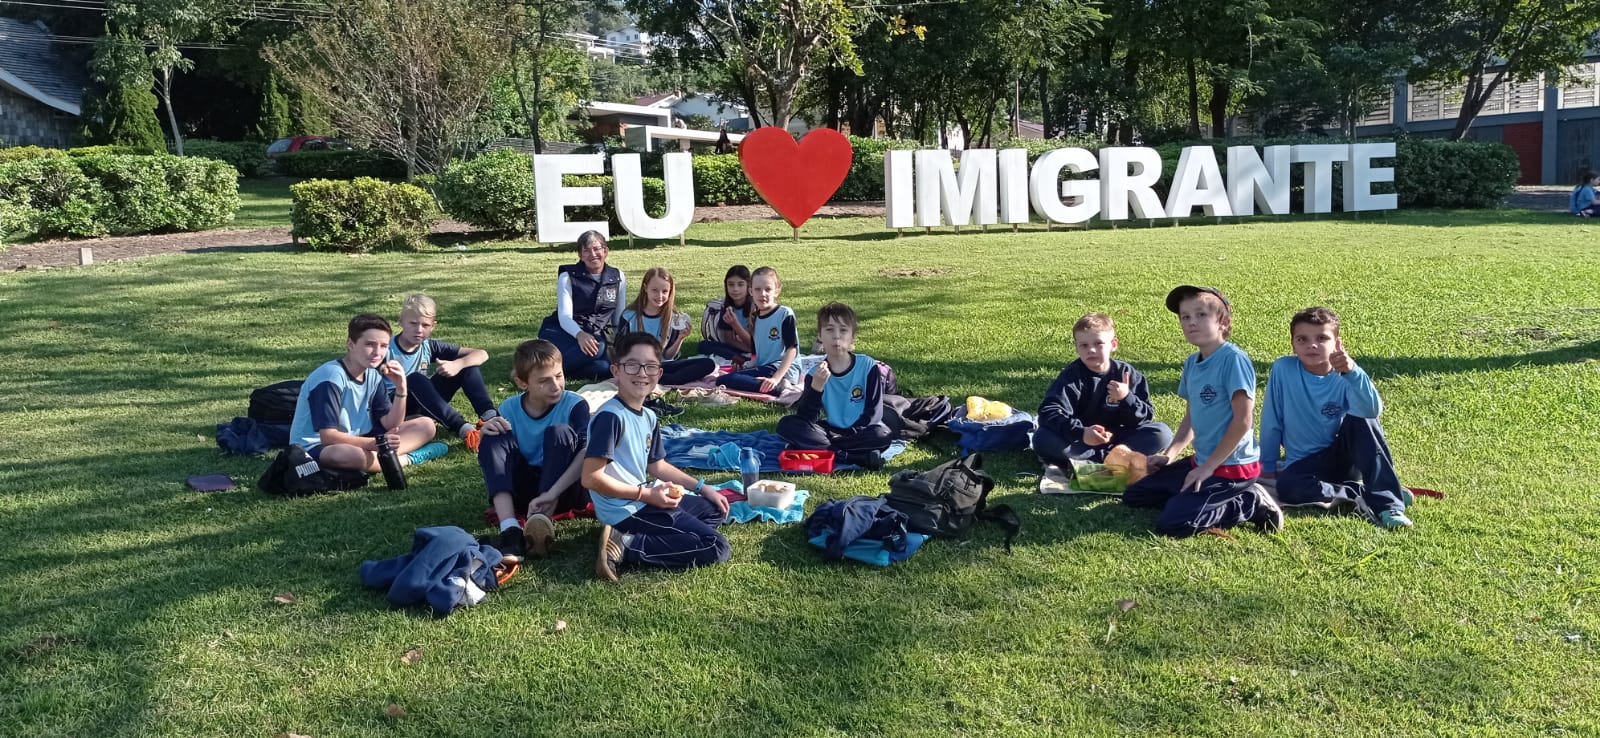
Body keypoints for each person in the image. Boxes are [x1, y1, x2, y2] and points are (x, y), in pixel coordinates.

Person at [1122, 286, 1282, 537]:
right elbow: (1191, 418)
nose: (1191, 322)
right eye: (1185, 317)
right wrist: (1169, 455)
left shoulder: (1233, 360)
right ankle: (1192, 496)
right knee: (1135, 495)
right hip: (1202, 461)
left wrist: (1207, 468)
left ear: (1223, 322)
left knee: (1172, 524)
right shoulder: (1191, 363)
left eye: (1201, 315)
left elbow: (1243, 421)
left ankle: (1250, 502)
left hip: (1232, 468)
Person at [585, 332, 733, 582]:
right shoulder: (610, 417)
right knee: (716, 546)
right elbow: (590, 478)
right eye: (632, 365)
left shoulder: (649, 416)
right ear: (616, 371)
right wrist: (646, 495)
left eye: (650, 366)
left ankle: (642, 534)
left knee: (713, 510)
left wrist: (703, 487)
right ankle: (627, 544)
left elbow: (657, 466)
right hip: (626, 508)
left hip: (645, 497)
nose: (642, 373)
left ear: (659, 373)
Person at [1259, 307, 1416, 529]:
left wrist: (1353, 372)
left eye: (1322, 338)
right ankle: (1364, 491)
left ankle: (1388, 505)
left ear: (1337, 343)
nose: (1312, 345)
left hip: (1345, 458)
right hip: (1304, 464)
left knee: (1362, 417)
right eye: (1302, 339)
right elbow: (1271, 419)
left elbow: (1372, 411)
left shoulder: (1347, 373)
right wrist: (1267, 464)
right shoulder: (1283, 369)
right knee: (1288, 487)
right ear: (1293, 344)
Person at [288, 313, 447, 473]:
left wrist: (401, 388)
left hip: (362, 438)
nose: (377, 352)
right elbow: (328, 437)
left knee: (426, 425)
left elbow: (391, 425)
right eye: (370, 344)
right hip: (319, 447)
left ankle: (380, 458)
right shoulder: (331, 377)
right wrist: (372, 444)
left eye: (383, 346)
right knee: (341, 454)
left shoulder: (373, 374)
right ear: (351, 344)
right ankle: (406, 459)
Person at [478, 339, 592, 561]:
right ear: (523, 383)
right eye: (544, 381)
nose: (555, 385)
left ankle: (541, 523)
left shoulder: (575, 404)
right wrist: (485, 436)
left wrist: (551, 493)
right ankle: (510, 530)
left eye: (559, 376)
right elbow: (498, 458)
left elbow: (587, 452)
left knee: (559, 432)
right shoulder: (509, 407)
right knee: (493, 435)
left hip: (564, 489)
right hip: (526, 491)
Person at [1034, 312, 1173, 468]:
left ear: (1113, 344)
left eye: (1098, 343)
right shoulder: (1071, 376)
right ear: (1076, 347)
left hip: (1118, 438)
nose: (1091, 350)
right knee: (1042, 438)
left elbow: (1144, 418)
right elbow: (1049, 411)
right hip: (1081, 439)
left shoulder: (1127, 374)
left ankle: (1098, 460)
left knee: (1162, 433)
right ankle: (1109, 460)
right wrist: (1082, 432)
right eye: (1084, 345)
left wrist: (1126, 398)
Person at [776, 302, 894, 470]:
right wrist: (816, 388)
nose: (836, 336)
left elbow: (874, 413)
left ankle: (824, 449)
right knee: (787, 425)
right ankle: (850, 457)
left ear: (852, 336)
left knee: (882, 434)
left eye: (843, 330)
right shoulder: (814, 374)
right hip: (830, 431)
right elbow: (806, 419)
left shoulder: (867, 366)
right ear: (820, 336)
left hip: (861, 431)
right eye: (829, 330)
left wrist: (853, 431)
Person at [388, 294, 497, 451]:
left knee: (467, 364)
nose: (418, 330)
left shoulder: (428, 346)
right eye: (413, 323)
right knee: (414, 379)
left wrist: (457, 364)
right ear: (401, 322)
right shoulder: (385, 349)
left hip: (424, 403)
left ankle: (490, 418)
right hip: (395, 408)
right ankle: (463, 428)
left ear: (433, 326)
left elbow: (482, 354)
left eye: (425, 325)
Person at [618, 266, 717, 413]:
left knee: (708, 364)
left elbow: (669, 355)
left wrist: (680, 338)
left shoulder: (673, 317)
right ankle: (655, 378)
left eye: (665, 291)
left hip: (663, 365)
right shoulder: (629, 316)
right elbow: (620, 350)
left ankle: (659, 379)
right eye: (654, 290)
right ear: (645, 288)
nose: (660, 296)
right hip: (638, 366)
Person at [537, 230, 625, 380]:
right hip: (563, 332)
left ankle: (561, 371)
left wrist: (622, 341)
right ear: (580, 255)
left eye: (597, 249)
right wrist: (580, 335)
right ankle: (540, 372)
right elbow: (565, 317)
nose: (593, 254)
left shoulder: (618, 276)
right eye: (586, 250)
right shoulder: (567, 277)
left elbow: (618, 317)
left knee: (606, 367)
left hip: (595, 335)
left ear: (605, 251)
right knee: (599, 347)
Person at [714, 266, 800, 396]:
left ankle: (779, 389)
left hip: (782, 369)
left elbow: (792, 350)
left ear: (777, 291)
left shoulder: (784, 313)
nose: (762, 294)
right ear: (751, 291)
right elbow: (756, 351)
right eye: (757, 289)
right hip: (764, 367)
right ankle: (764, 384)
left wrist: (775, 379)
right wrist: (747, 366)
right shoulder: (755, 316)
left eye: (768, 289)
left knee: (726, 380)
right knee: (725, 378)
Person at [697, 265, 756, 360]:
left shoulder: (755, 307)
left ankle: (740, 358)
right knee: (704, 345)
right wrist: (745, 349)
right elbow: (728, 339)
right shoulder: (727, 306)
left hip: (755, 346)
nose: (735, 289)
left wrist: (735, 324)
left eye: (740, 284)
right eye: (731, 284)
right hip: (739, 347)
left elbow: (754, 343)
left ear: (748, 286)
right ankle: (738, 357)